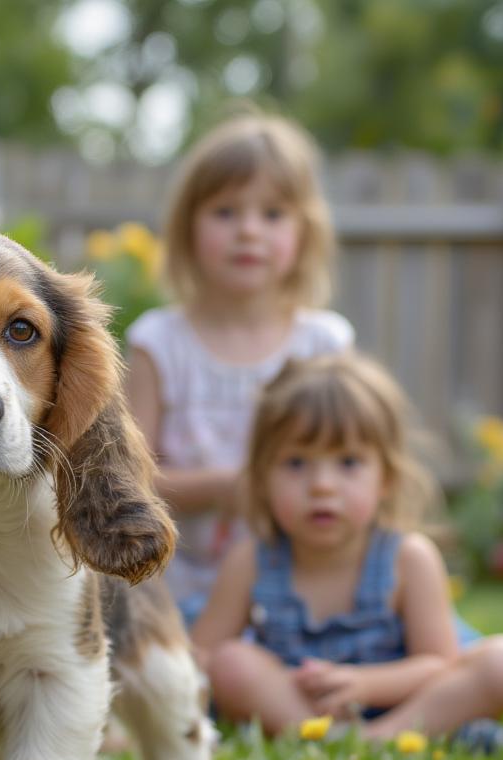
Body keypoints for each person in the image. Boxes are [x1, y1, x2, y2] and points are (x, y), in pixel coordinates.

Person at [191, 352, 503, 743]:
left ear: (385, 477)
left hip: (402, 703)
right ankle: (333, 734)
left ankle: (379, 737)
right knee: (231, 663)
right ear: (263, 477)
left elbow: (439, 664)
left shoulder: (408, 558)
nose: (322, 485)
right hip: (298, 704)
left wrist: (364, 684)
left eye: (349, 462)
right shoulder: (253, 560)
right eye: (296, 463)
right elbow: (198, 657)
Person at [126, 108, 354, 626]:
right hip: (181, 594)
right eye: (225, 212)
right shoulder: (159, 343)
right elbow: (130, 480)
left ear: (305, 234)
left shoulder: (324, 341)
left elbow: (351, 462)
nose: (249, 231)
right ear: (187, 230)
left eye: (273, 214)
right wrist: (224, 486)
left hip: (301, 592)